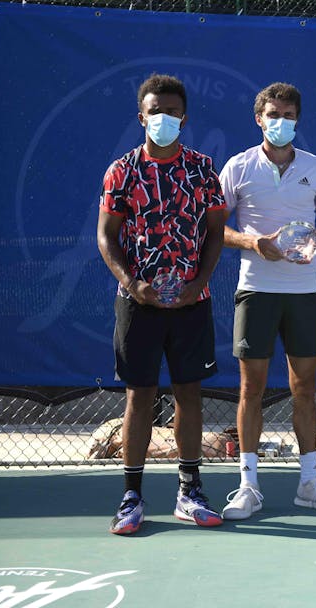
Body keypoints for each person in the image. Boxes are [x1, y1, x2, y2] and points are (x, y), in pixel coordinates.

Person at [97, 74, 227, 535]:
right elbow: (106, 237)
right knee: (141, 395)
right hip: (137, 303)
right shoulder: (121, 171)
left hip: (194, 302)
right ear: (142, 116)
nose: (164, 120)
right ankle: (131, 497)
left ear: (184, 118)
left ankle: (190, 491)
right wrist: (134, 284)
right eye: (156, 112)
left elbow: (215, 231)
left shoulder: (202, 170)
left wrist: (200, 282)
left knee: (189, 393)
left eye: (172, 113)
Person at [218, 82, 316, 520]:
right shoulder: (238, 167)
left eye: (288, 116)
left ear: (298, 120)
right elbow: (215, 228)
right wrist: (254, 243)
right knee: (250, 389)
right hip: (255, 291)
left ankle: (309, 483)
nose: (281, 123)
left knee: (304, 390)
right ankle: (248, 486)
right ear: (259, 119)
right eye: (273, 115)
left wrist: (312, 238)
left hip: (303, 292)